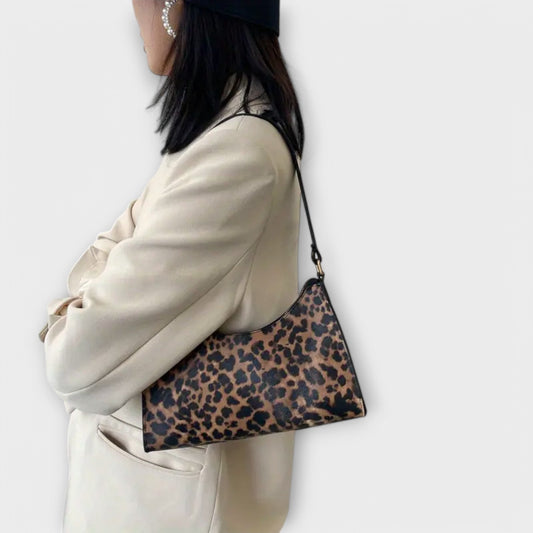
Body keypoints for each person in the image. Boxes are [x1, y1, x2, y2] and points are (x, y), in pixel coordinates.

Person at [38, 0, 304, 532]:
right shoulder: (222, 130)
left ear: (177, 6)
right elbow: (113, 247)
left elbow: (75, 361)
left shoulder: (236, 153)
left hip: (169, 510)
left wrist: (72, 313)